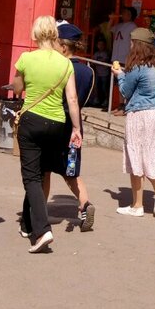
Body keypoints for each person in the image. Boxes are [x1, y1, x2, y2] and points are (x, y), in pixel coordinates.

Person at [11, 17, 83, 253]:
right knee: (40, 172)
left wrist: (25, 80)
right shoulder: (65, 63)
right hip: (57, 124)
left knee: (31, 177)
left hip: (31, 120)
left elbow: (18, 89)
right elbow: (72, 99)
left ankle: (42, 230)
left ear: (35, 34)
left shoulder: (26, 59)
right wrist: (76, 129)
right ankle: (28, 224)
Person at [113, 27, 155, 217]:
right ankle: (154, 191)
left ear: (137, 44)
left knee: (136, 156)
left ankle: (138, 204)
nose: (130, 45)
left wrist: (119, 74)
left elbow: (125, 92)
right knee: (149, 153)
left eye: (132, 42)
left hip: (141, 115)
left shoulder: (137, 67)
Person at [56, 22, 96, 231]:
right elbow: (85, 99)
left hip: (55, 121)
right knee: (71, 169)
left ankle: (37, 212)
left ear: (64, 47)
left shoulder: (59, 67)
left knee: (44, 169)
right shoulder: (88, 71)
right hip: (75, 126)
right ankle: (85, 204)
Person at [92, 37, 111, 109]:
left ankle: (106, 100)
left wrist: (97, 62)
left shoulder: (106, 53)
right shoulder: (96, 53)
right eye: (99, 44)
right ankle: (96, 99)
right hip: (97, 73)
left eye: (102, 44)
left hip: (105, 74)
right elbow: (93, 62)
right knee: (96, 87)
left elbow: (104, 61)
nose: (100, 46)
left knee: (104, 88)